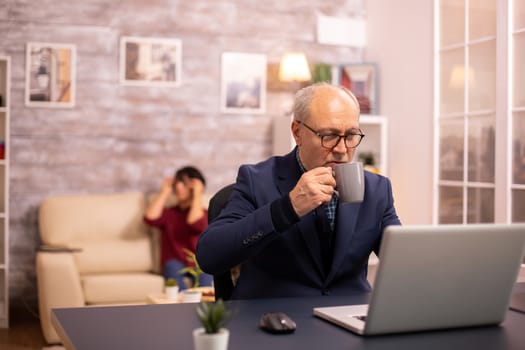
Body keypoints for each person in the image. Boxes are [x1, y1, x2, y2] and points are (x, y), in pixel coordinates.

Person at [196, 82, 401, 299]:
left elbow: (401, 262)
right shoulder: (257, 180)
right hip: (274, 320)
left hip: (348, 318)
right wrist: (287, 208)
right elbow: (210, 256)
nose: (342, 150)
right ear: (297, 132)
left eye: (351, 136)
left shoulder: (377, 189)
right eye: (329, 135)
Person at [144, 166, 213, 289]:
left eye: (184, 183)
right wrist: (165, 191)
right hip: (174, 263)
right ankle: (181, 307)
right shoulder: (169, 213)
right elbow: (150, 218)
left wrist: (197, 194)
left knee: (207, 272)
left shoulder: (205, 214)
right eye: (177, 182)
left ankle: (206, 307)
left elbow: (194, 222)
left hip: (199, 263)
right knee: (171, 266)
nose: (178, 187)